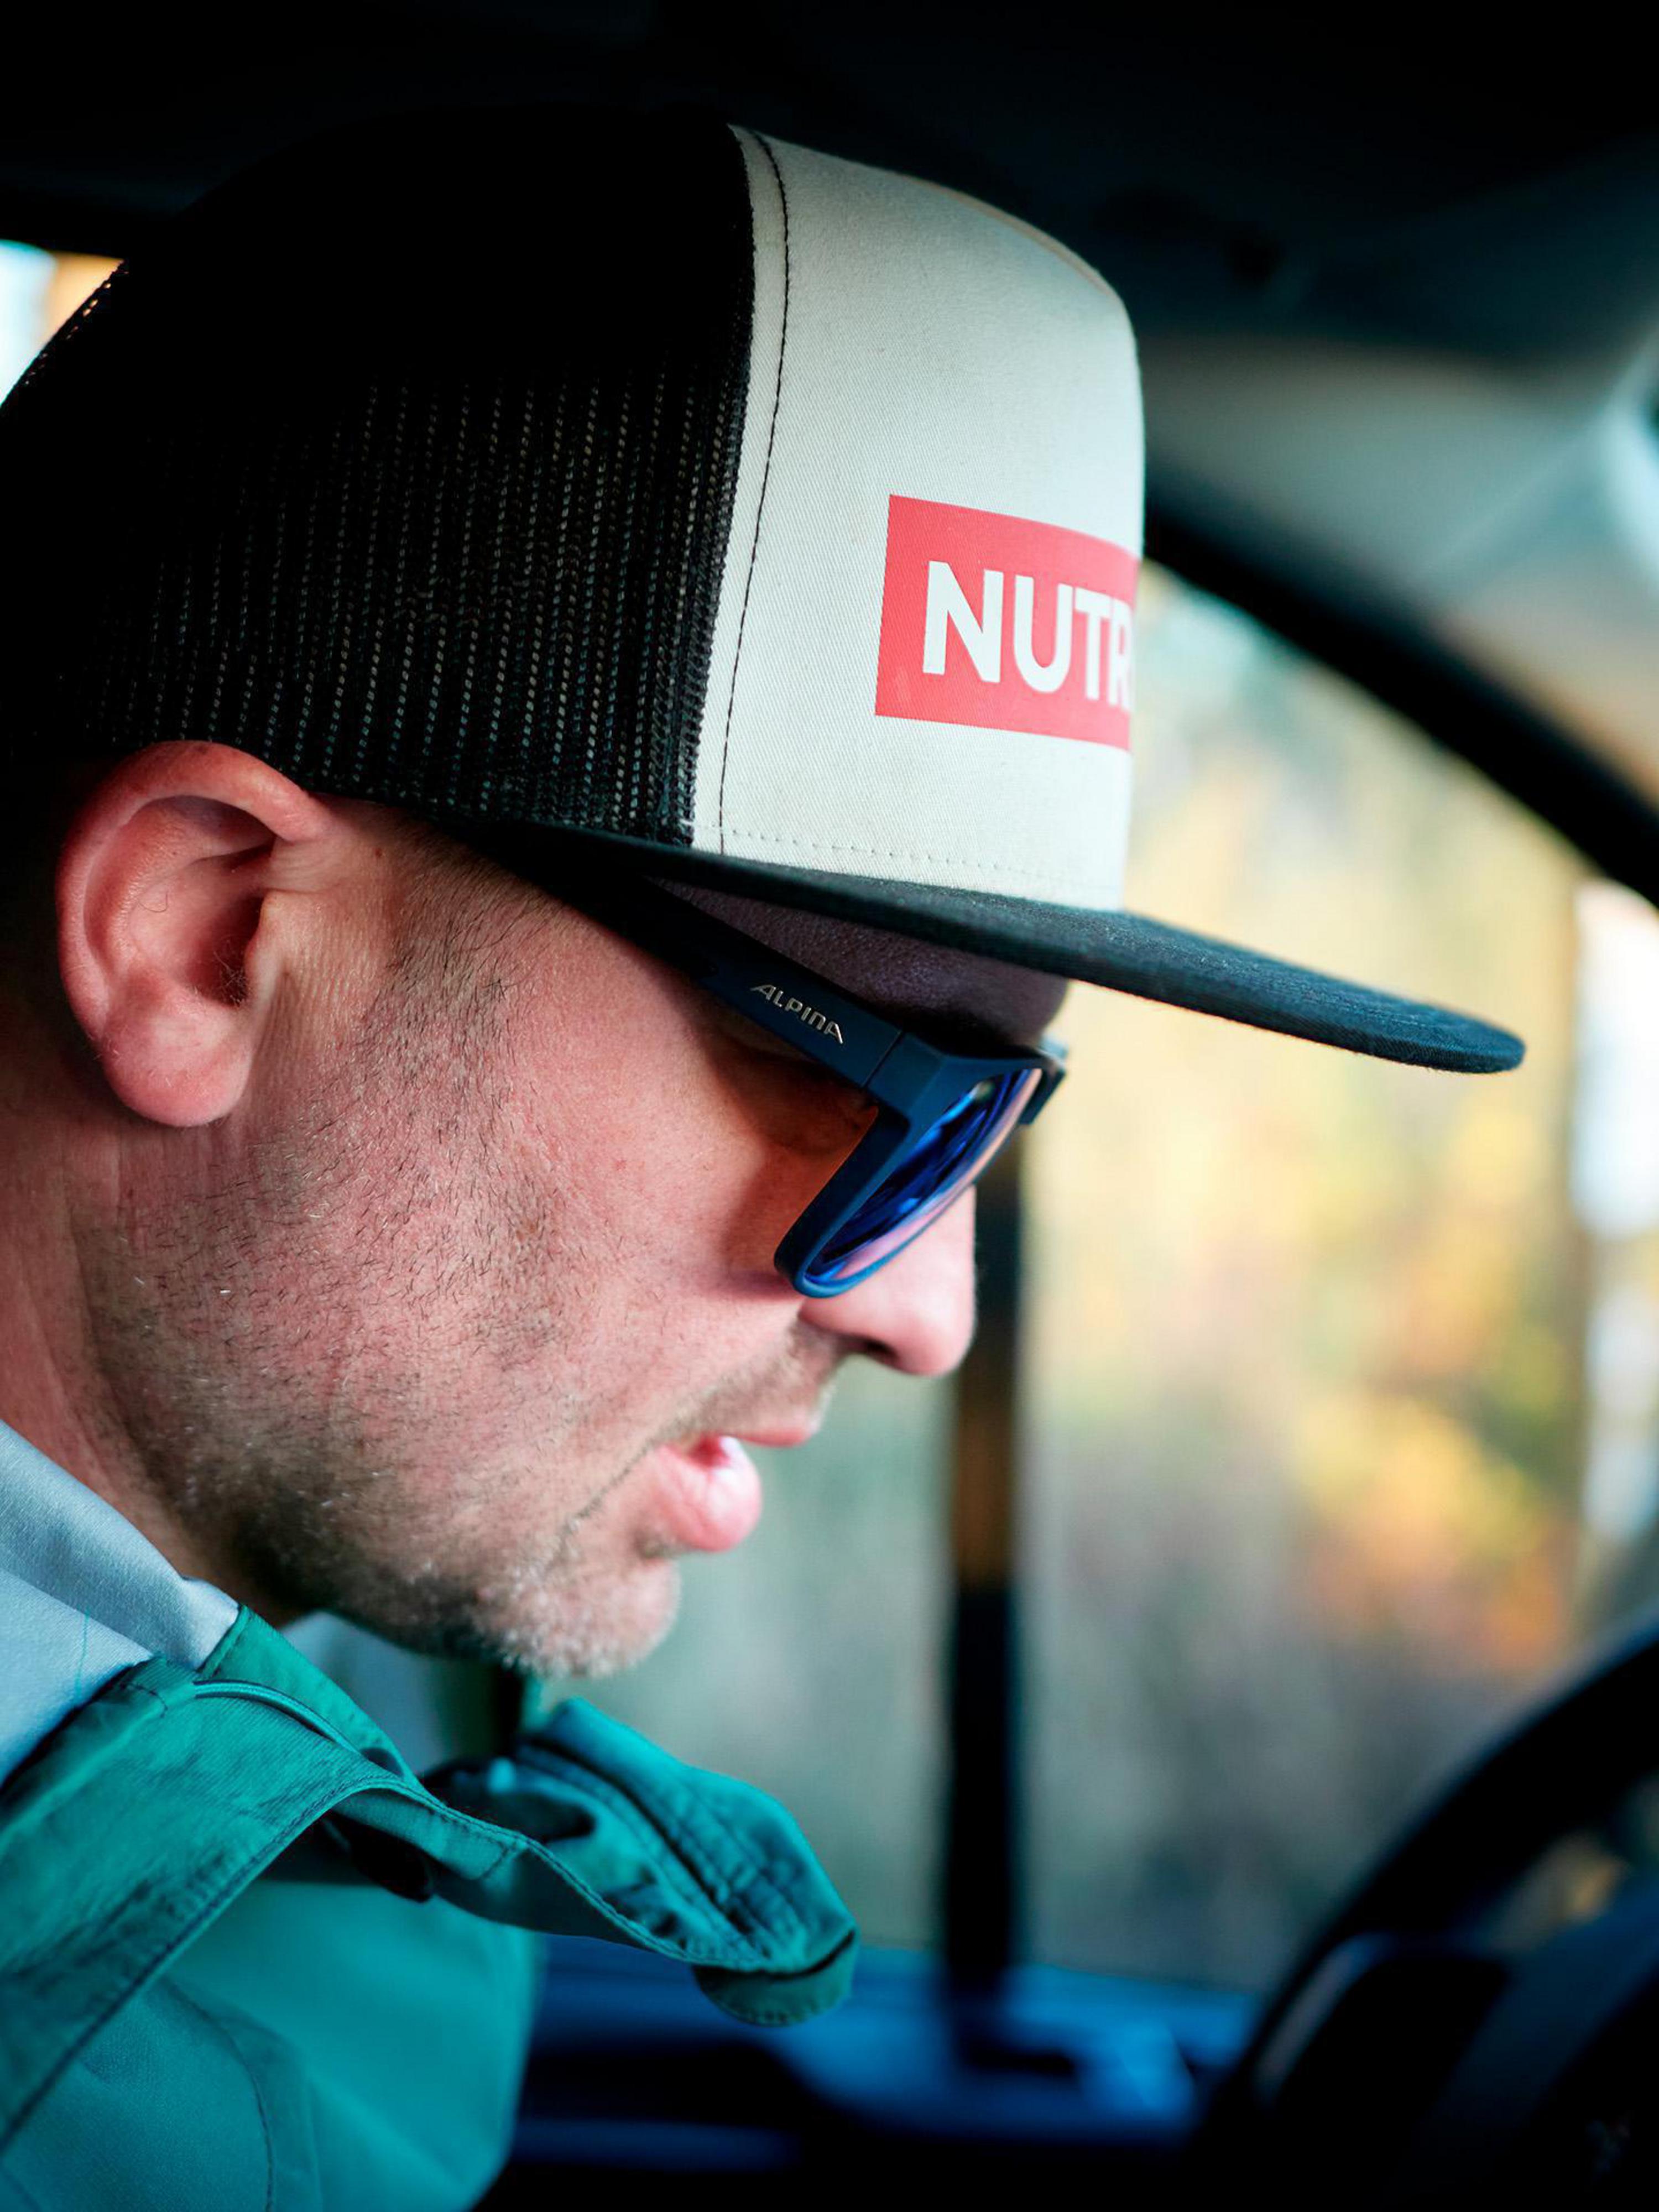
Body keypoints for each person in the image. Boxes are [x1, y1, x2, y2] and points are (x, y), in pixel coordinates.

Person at [0, 98, 1522, 2210]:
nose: (926, 1310)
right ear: (204, 942)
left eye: (1002, 1109)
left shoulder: (294, 1727)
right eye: (849, 1074)